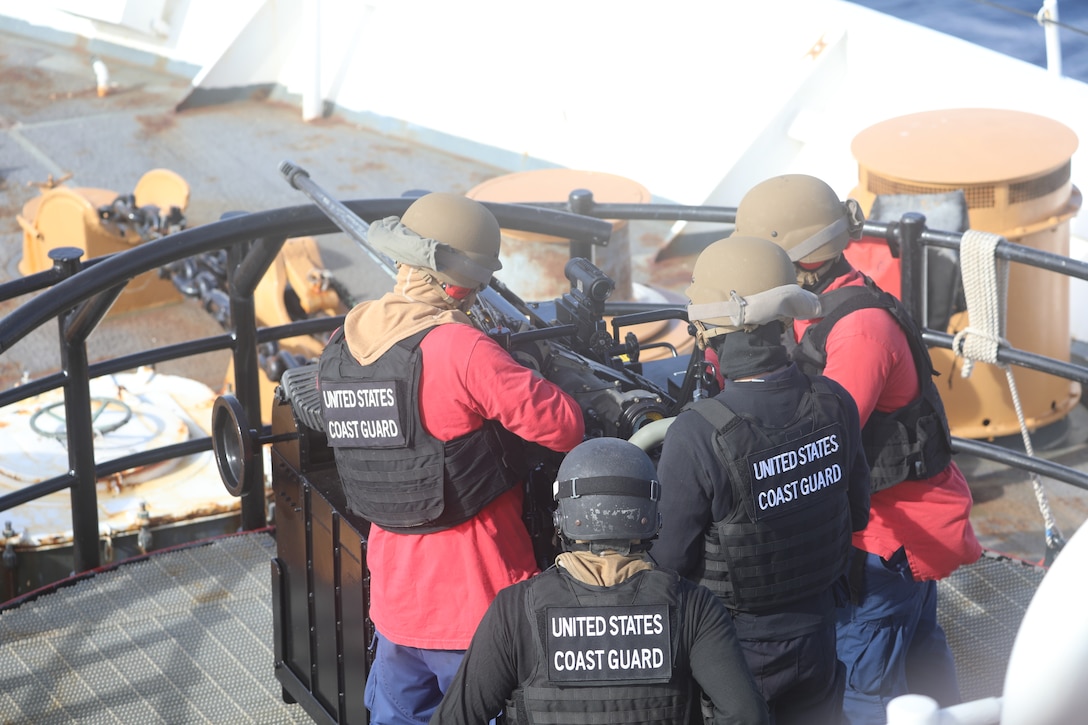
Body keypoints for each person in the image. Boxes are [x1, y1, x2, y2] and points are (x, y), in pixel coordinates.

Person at [317, 192, 586, 725]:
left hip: (394, 602)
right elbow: (564, 426)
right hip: (477, 603)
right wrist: (518, 362)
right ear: (462, 281)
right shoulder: (462, 349)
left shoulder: (341, 343)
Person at [733, 173, 983, 724]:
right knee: (920, 653)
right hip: (893, 530)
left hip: (883, 540)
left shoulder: (858, 330)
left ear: (797, 259)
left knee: (861, 687)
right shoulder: (827, 305)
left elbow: (825, 433)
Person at [653, 236, 872, 725]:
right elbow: (857, 512)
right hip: (819, 631)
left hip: (733, 648)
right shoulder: (833, 400)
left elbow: (668, 561)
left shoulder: (698, 431)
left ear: (712, 330)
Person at [430, 436, 771, 725]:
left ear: (562, 519)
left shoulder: (515, 609)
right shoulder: (694, 605)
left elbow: (456, 717)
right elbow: (746, 714)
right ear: (650, 515)